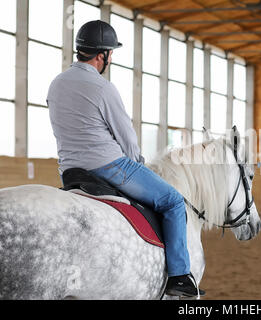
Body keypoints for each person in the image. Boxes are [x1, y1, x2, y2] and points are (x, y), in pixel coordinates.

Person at [47, 20, 203, 297]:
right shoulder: (102, 87)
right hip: (111, 167)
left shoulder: (56, 84)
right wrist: (137, 163)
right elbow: (126, 137)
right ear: (102, 55)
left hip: (70, 170)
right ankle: (179, 277)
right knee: (173, 201)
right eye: (110, 54)